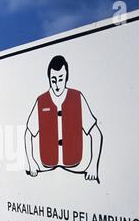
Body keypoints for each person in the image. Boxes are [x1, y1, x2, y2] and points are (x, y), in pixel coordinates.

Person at [24, 55, 103, 183]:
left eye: (60, 79)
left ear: (66, 77)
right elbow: (28, 133)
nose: (57, 85)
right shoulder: (41, 101)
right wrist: (31, 162)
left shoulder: (77, 98)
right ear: (49, 79)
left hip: (76, 168)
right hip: (46, 169)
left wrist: (93, 166)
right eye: (53, 80)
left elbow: (96, 133)